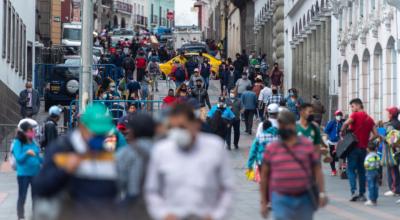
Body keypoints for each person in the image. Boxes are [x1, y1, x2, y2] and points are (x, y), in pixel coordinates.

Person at [145, 103, 234, 220]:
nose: (177, 132)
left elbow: (227, 188)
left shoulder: (215, 147)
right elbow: (152, 190)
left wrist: (216, 215)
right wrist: (163, 214)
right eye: (172, 128)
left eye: (182, 127)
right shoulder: (161, 151)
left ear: (196, 125)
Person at [34, 104, 120, 220]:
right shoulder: (62, 147)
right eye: (95, 132)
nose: (100, 136)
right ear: (82, 127)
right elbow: (41, 187)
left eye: (103, 132)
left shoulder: (111, 148)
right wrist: (64, 170)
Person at [260, 110, 327, 220]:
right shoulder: (272, 148)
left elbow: (317, 170)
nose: (282, 127)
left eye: (285, 124)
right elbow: (264, 176)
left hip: (304, 198)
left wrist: (321, 193)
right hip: (280, 198)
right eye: (280, 124)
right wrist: (264, 202)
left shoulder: (306, 145)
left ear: (293, 124)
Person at [116, 113, 156, 219]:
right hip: (158, 206)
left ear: (133, 131)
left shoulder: (125, 153)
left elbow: (118, 181)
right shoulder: (162, 150)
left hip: (132, 204)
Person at [340, 98, 377, 202]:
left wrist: (342, 134)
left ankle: (354, 192)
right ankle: (362, 194)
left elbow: (345, 124)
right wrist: (366, 140)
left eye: (352, 106)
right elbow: (376, 134)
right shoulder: (370, 119)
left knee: (350, 170)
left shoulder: (355, 115)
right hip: (363, 149)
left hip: (353, 148)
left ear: (358, 105)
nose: (351, 109)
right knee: (361, 171)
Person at [13, 119, 42, 220]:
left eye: (33, 130)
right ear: (24, 131)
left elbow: (38, 156)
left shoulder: (33, 141)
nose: (32, 132)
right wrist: (27, 153)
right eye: (30, 130)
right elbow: (18, 158)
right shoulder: (18, 142)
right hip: (23, 174)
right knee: (22, 196)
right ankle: (21, 217)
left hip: (35, 173)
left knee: (36, 197)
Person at [383, 107, 400, 198]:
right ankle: (395, 188)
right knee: (395, 169)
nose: (387, 114)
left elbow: (390, 139)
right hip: (397, 149)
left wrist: (383, 138)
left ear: (391, 114)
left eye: (388, 113)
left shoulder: (391, 125)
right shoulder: (398, 123)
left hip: (392, 150)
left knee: (392, 169)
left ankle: (395, 189)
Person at [324, 110, 344, 176]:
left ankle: (341, 170)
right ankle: (333, 170)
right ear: (335, 116)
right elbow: (326, 130)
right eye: (338, 115)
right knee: (332, 157)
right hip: (331, 142)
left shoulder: (342, 123)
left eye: (340, 115)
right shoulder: (331, 122)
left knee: (341, 156)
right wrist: (327, 139)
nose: (339, 116)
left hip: (339, 142)